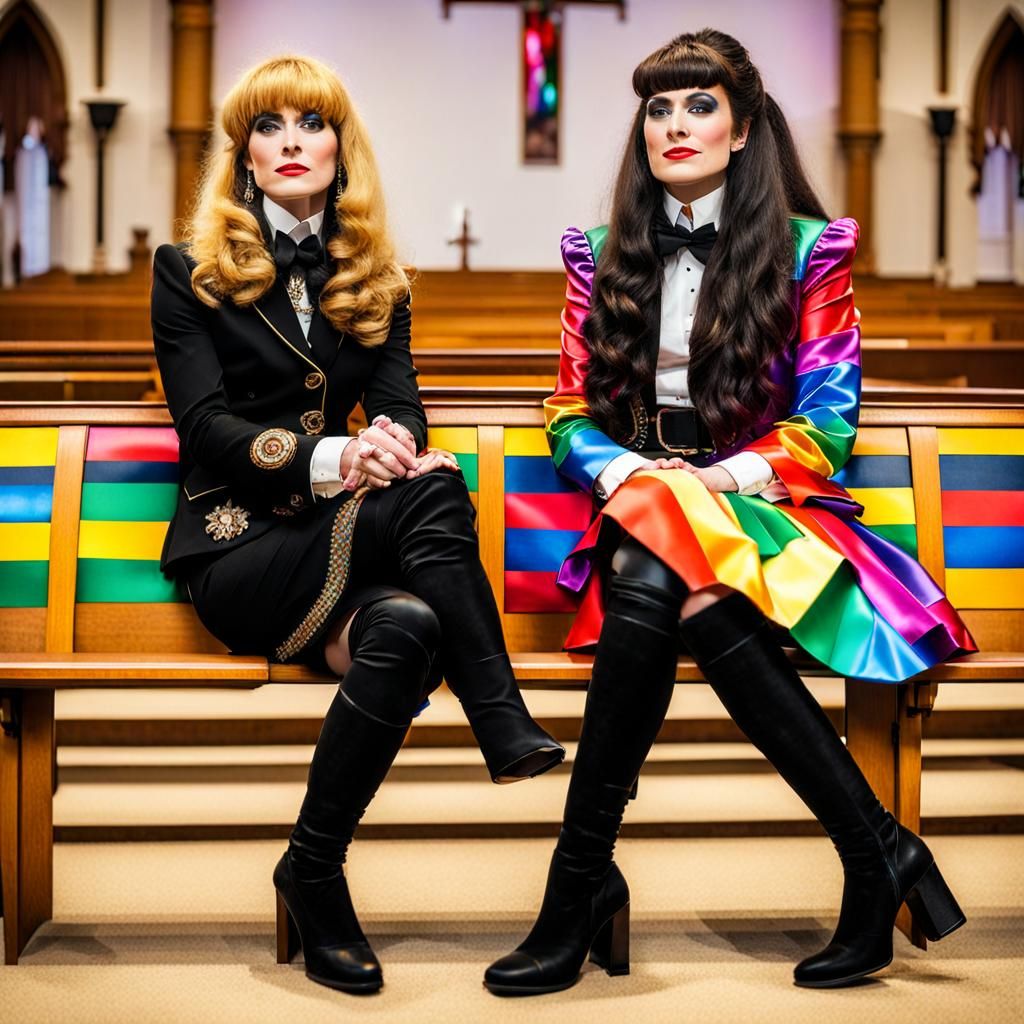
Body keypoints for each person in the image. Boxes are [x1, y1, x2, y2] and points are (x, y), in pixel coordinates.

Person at [484, 29, 975, 996]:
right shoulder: (601, 255)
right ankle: (878, 849)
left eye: (699, 105)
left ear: (744, 128)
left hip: (762, 505)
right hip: (642, 496)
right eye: (659, 109)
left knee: (658, 576)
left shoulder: (807, 253)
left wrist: (720, 482)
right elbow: (563, 410)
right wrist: (628, 467)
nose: (675, 125)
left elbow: (827, 425)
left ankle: (576, 883)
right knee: (673, 579)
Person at [150, 54, 564, 995]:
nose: (291, 141)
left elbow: (402, 406)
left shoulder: (381, 281)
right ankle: (498, 718)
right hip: (235, 547)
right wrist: (343, 459)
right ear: (244, 156)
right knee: (430, 493)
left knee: (409, 625)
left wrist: (394, 443)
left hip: (332, 550)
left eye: (311, 123)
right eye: (268, 126)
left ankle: (313, 870)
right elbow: (205, 429)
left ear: (342, 150)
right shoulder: (188, 273)